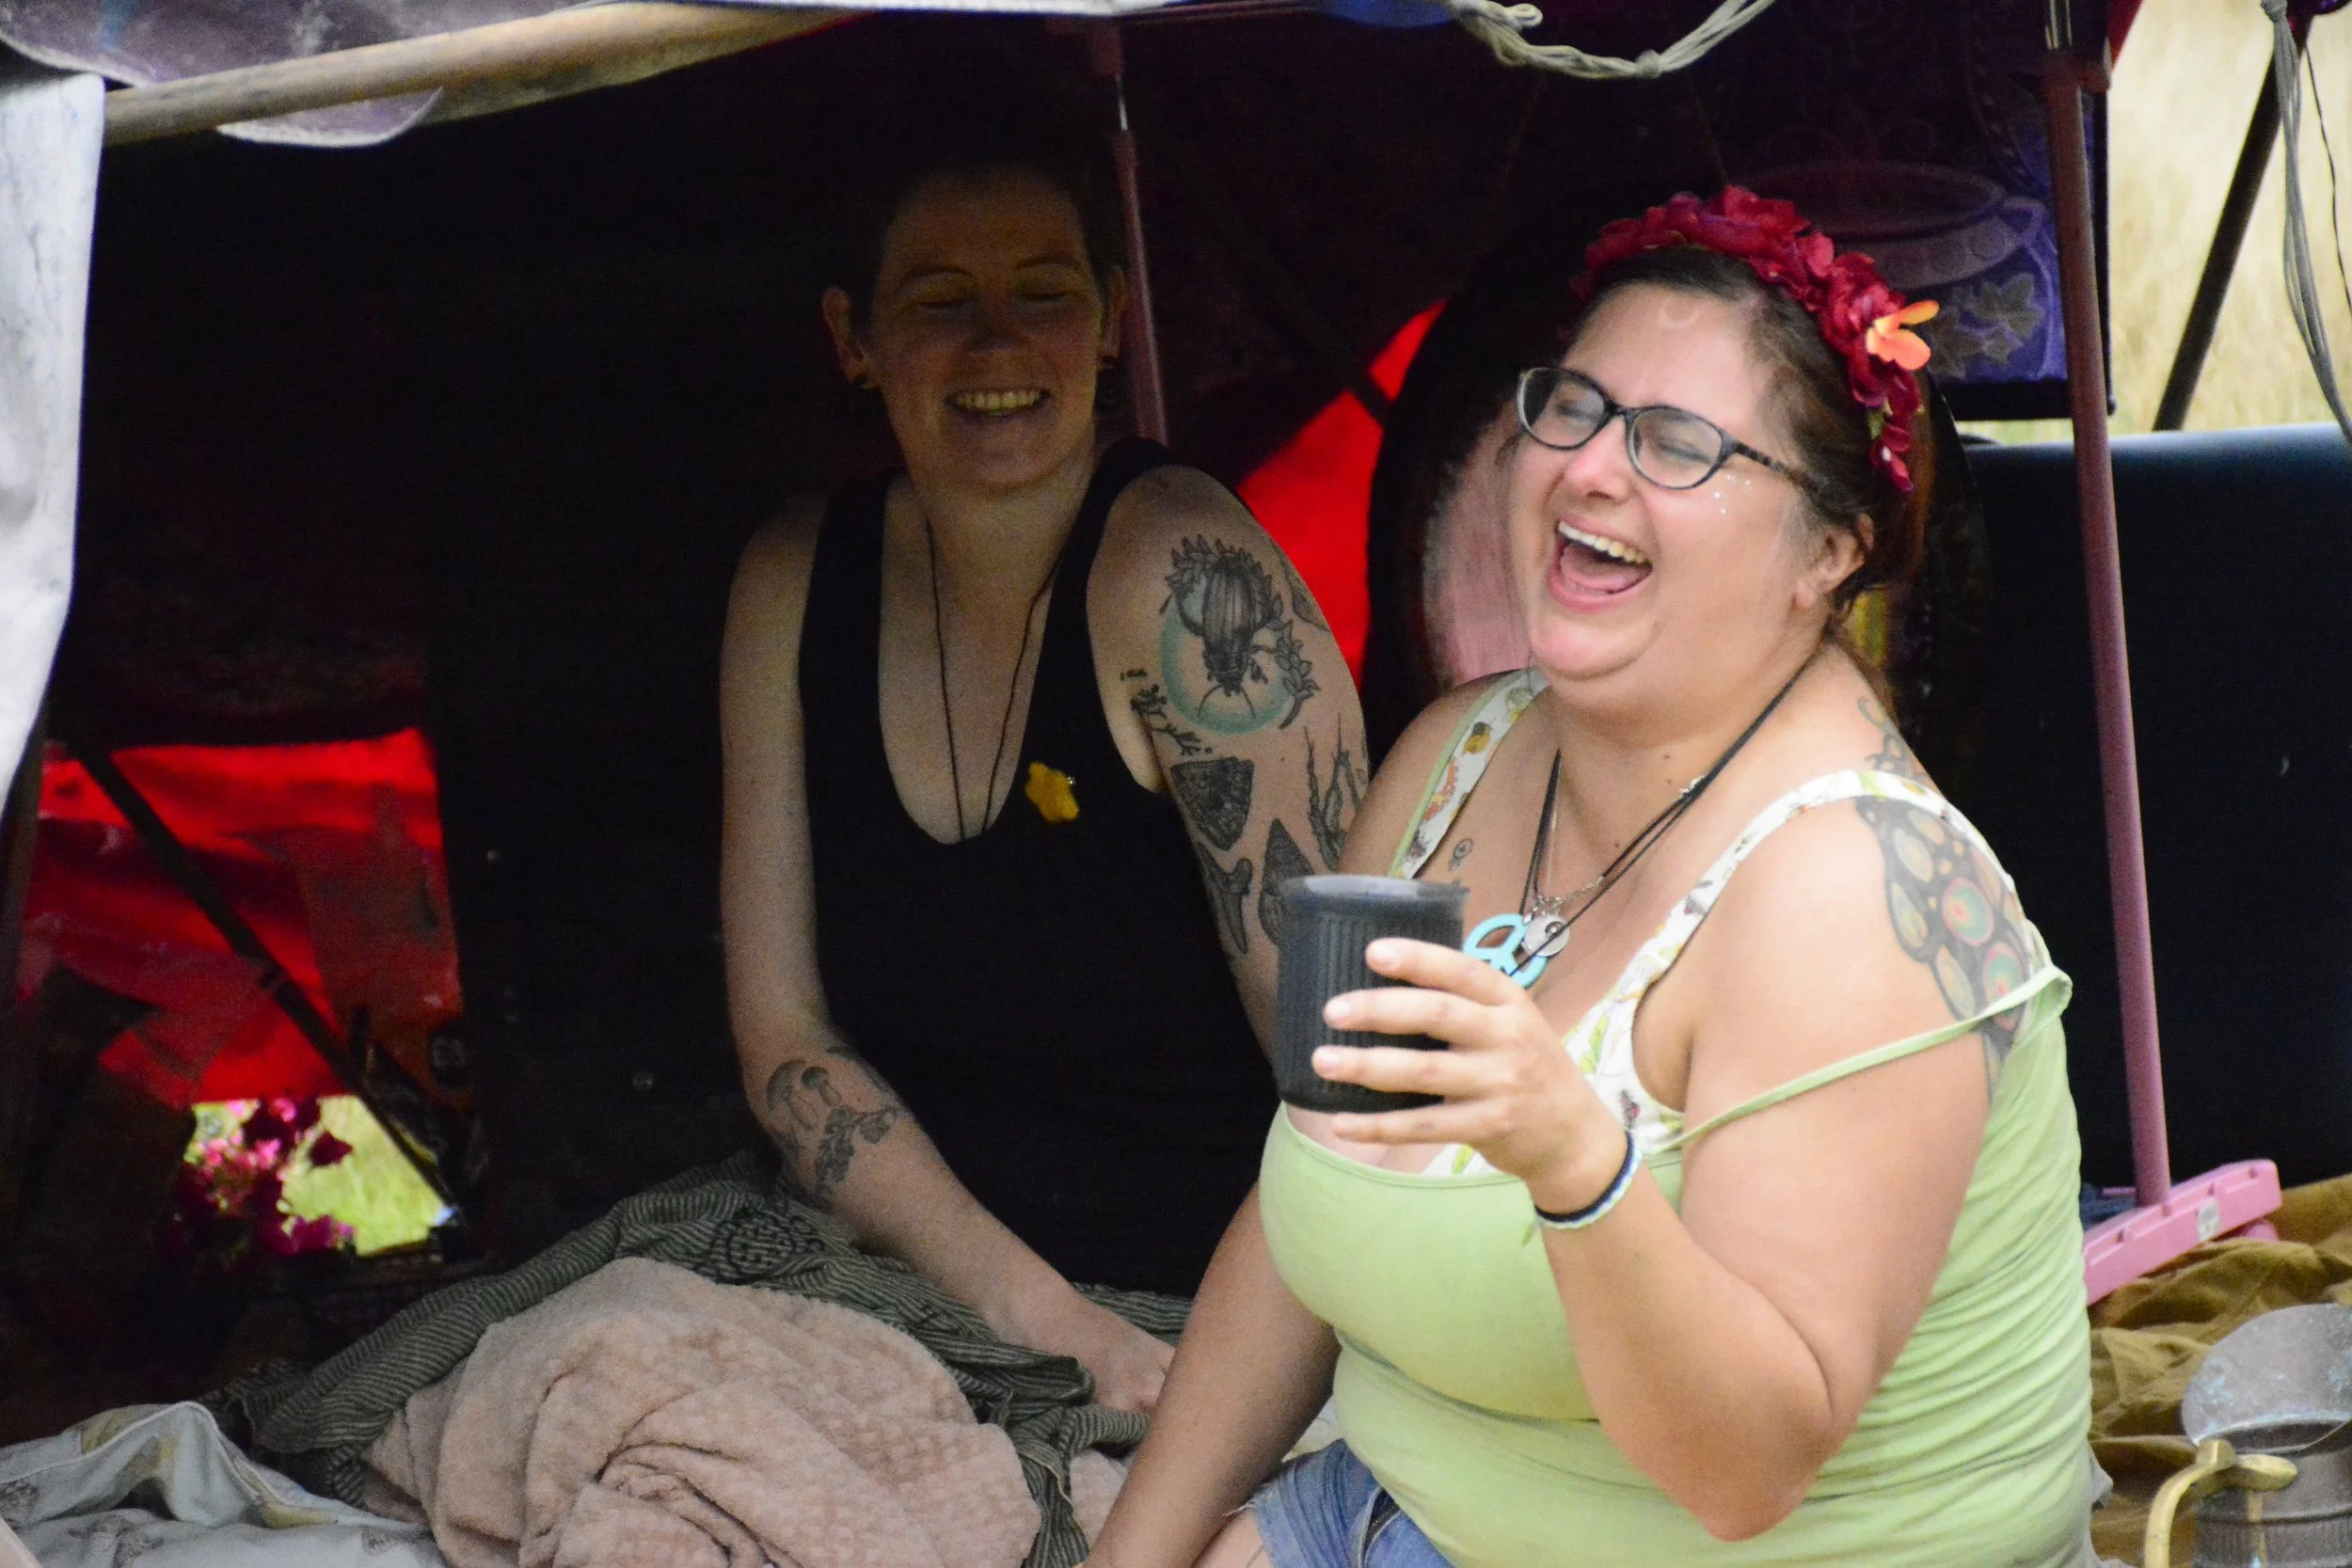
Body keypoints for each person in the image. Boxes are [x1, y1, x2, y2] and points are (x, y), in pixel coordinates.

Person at [1083, 188, 2094, 1566]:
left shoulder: (1852, 891)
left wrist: (1578, 1162)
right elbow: (1299, 1220)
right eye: (1572, 409)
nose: (1592, 470)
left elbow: (1746, 1469)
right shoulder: (1452, 761)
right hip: (1392, 1499)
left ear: (1830, 549)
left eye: (1678, 443)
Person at [718, 121, 1365, 1416]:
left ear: (1114, 319)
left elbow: (1351, 1070)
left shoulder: (1188, 586)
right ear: (855, 337)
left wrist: (1207, 1377)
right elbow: (787, 1040)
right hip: (912, 1288)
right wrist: (1043, 1319)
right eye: (940, 301)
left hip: (1206, 1316)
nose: (999, 345)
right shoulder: (795, 585)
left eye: (1045, 295)